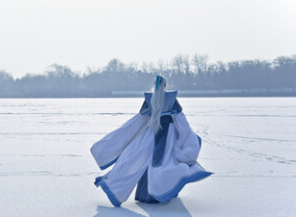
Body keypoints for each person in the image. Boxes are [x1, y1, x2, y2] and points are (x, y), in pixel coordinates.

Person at [91, 75, 212, 207]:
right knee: (167, 163)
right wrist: (186, 137)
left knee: (138, 160)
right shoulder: (171, 99)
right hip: (169, 135)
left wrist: (127, 135)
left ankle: (142, 194)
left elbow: (138, 120)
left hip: (150, 134)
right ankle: (163, 193)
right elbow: (181, 120)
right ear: (165, 85)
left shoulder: (150, 99)